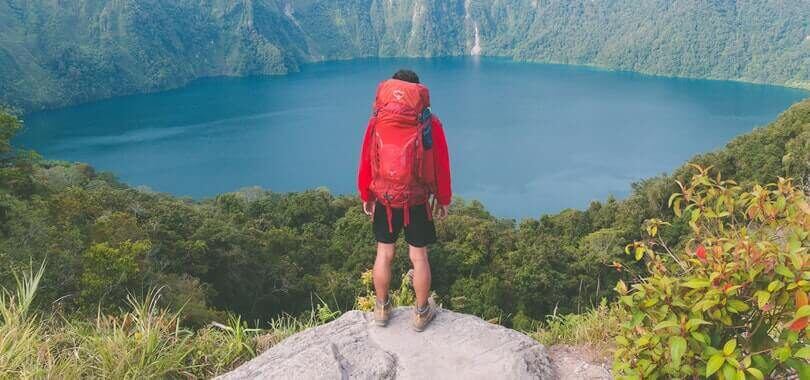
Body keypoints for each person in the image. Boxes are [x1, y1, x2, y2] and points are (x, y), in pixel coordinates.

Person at [357, 69, 452, 331]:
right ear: (417, 92)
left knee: (384, 254)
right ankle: (421, 312)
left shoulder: (377, 120)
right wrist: (443, 198)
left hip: (385, 199)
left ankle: (381, 308)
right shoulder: (428, 123)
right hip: (417, 199)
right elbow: (442, 164)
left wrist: (367, 194)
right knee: (418, 257)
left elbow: (366, 158)